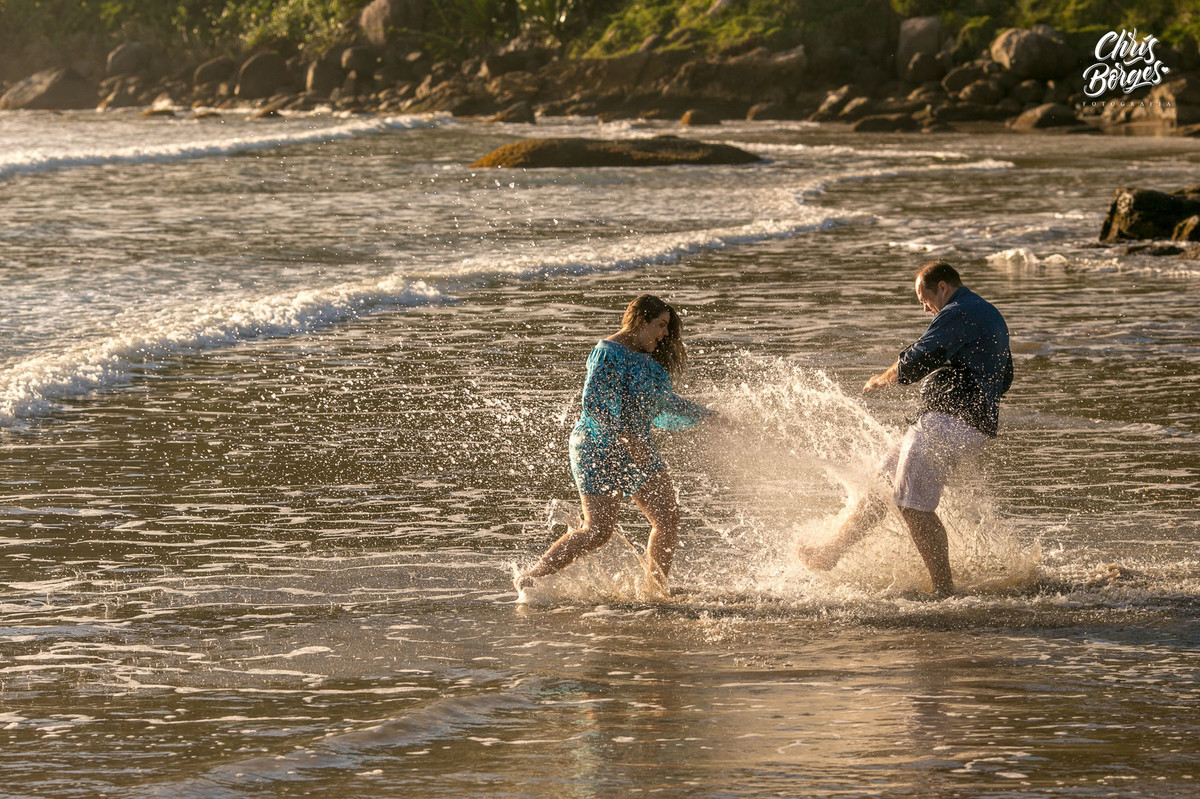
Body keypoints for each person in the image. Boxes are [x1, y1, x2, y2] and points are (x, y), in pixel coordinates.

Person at [799, 261, 1013, 597]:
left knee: (913, 505)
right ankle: (829, 554)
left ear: (942, 287)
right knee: (881, 485)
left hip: (950, 421)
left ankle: (943, 590)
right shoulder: (987, 313)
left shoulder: (959, 309)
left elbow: (920, 356)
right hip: (960, 421)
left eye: (924, 299)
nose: (924, 307)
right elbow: (1006, 377)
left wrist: (883, 378)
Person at [515, 294, 721, 593]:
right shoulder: (608, 352)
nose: (665, 333)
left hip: (636, 444)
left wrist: (709, 417)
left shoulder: (648, 359)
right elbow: (595, 404)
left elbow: (661, 402)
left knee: (667, 518)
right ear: (640, 320)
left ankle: (656, 591)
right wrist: (623, 439)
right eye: (661, 325)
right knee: (598, 531)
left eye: (667, 327)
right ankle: (532, 577)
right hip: (597, 445)